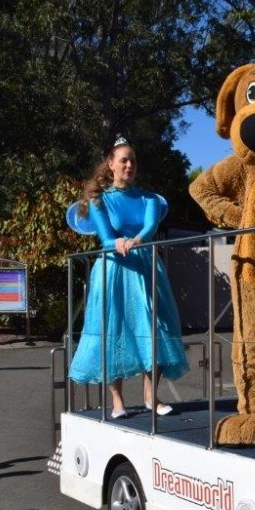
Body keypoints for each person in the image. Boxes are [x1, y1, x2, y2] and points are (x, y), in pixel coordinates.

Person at [68, 137, 189, 418]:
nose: (129, 164)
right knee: (113, 330)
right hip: (114, 270)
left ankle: (150, 395)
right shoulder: (99, 200)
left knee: (157, 328)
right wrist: (119, 242)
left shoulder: (149, 199)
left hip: (145, 265)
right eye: (123, 159)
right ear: (111, 164)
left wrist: (135, 240)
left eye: (132, 160)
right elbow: (106, 237)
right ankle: (117, 401)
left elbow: (149, 228)